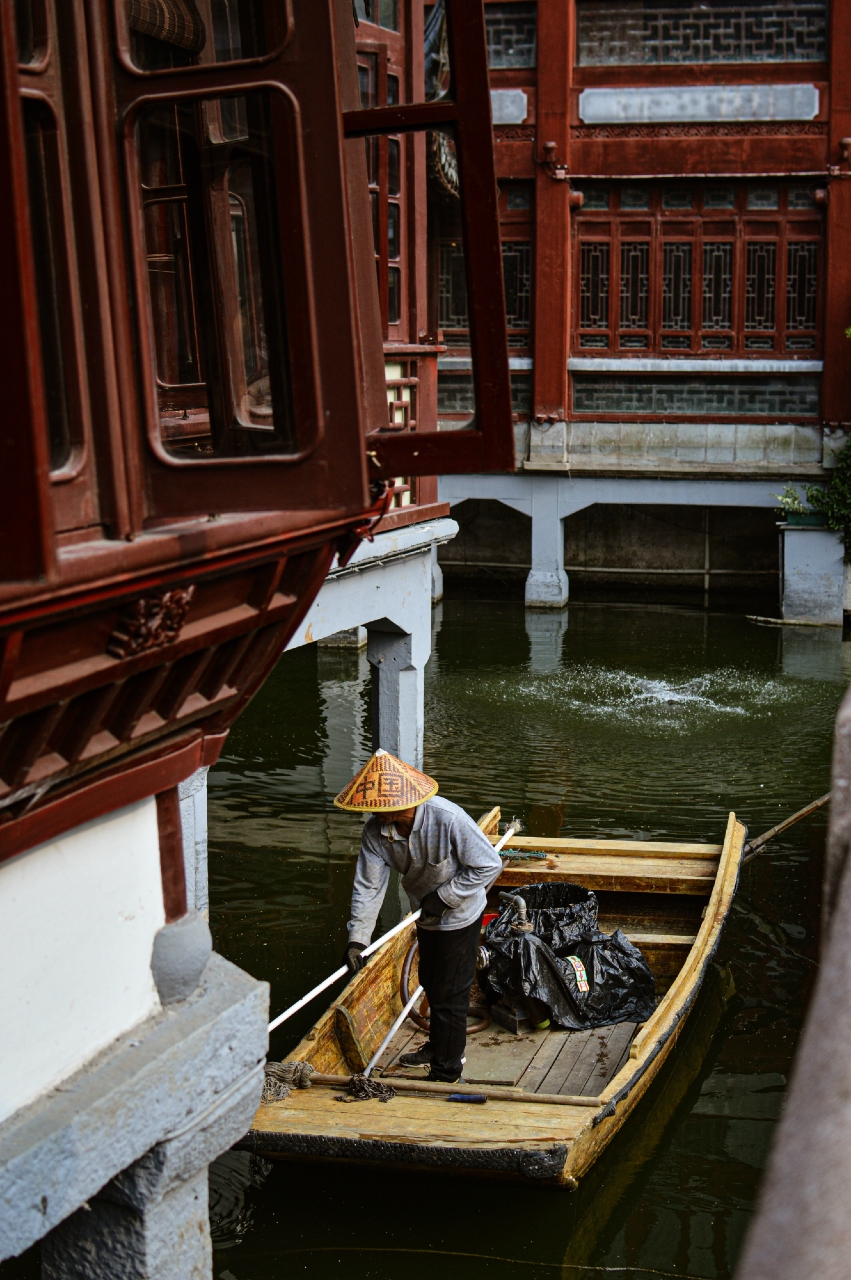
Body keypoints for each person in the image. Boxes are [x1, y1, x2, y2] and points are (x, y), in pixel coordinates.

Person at [335, 748, 503, 1084]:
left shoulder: (448, 819)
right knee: (429, 980)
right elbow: (368, 888)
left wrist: (446, 897)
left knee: (451, 994)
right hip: (425, 917)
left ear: (403, 802)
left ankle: (446, 1071)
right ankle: (437, 1047)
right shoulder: (375, 833)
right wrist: (358, 939)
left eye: (382, 809)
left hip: (459, 916)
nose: (375, 814)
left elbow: (488, 865)